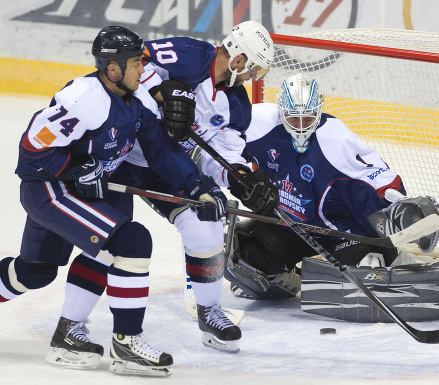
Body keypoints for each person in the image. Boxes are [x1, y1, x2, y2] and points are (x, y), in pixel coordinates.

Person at [46, 21, 279, 369]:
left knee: (207, 223)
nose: (253, 77)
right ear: (238, 59)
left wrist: (238, 175)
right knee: (109, 244)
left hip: (166, 166)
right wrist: (165, 91)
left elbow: (225, 152)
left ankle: (210, 312)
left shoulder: (237, 105)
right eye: (254, 68)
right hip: (118, 154)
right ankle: (70, 327)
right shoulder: (190, 54)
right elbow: (136, 62)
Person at [0, 25, 230, 377]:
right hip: (50, 190)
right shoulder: (83, 98)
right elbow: (31, 149)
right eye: (137, 63)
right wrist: (74, 165)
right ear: (112, 69)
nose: (144, 70)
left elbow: (160, 152)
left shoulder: (137, 102)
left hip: (85, 191)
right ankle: (127, 342)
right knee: (132, 242)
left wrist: (199, 185)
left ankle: (67, 336)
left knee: (35, 272)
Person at [224, 73, 439, 301]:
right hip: (288, 225)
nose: (300, 127)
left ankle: (401, 268)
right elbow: (217, 140)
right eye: (293, 118)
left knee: (369, 274)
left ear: (319, 110)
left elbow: (371, 175)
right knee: (249, 264)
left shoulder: (335, 139)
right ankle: (289, 278)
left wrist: (399, 208)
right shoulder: (259, 124)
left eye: (308, 118)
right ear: (282, 111)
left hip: (340, 232)